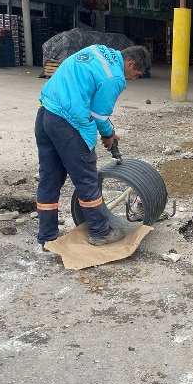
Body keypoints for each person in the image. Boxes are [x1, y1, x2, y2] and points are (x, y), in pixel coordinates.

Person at [35, 44, 151, 248]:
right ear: (129, 63)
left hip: (45, 114)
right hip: (68, 123)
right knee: (87, 181)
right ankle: (100, 231)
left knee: (49, 180)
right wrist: (108, 135)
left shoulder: (97, 50)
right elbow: (99, 115)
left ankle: (47, 236)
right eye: (136, 74)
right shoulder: (114, 76)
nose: (133, 79)